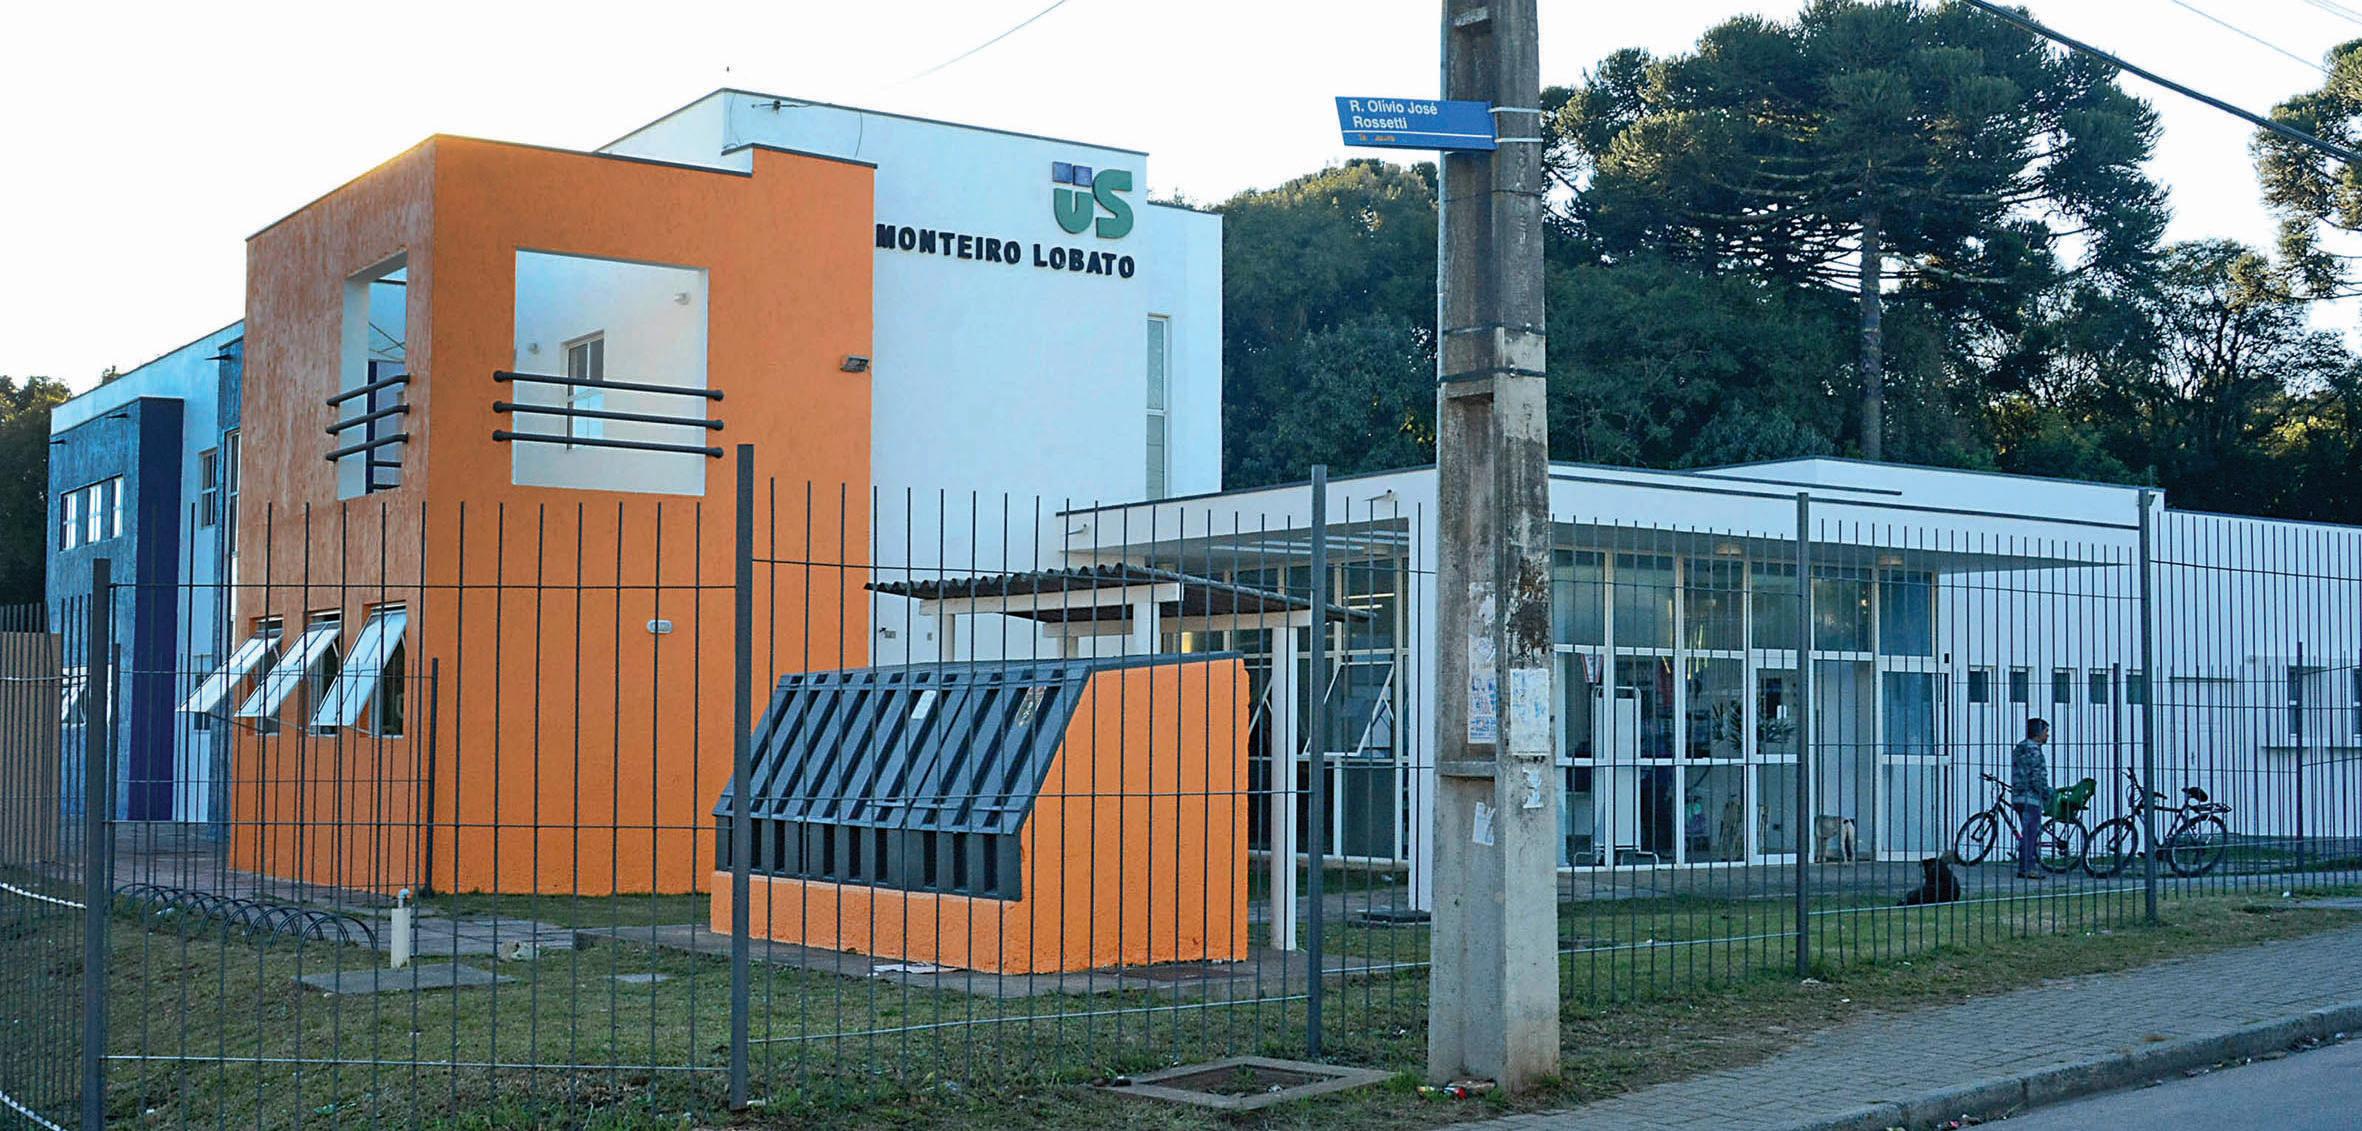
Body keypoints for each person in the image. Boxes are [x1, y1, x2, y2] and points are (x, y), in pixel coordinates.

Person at [2012, 718, 2055, 879]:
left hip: (2018, 796)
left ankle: (2026, 865)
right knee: (2030, 834)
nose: (2047, 735)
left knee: (2026, 833)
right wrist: (2047, 793)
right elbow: (2037, 777)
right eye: (2046, 731)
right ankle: (2027, 868)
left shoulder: (2020, 748)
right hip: (2031, 798)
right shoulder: (2034, 751)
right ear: (2038, 733)